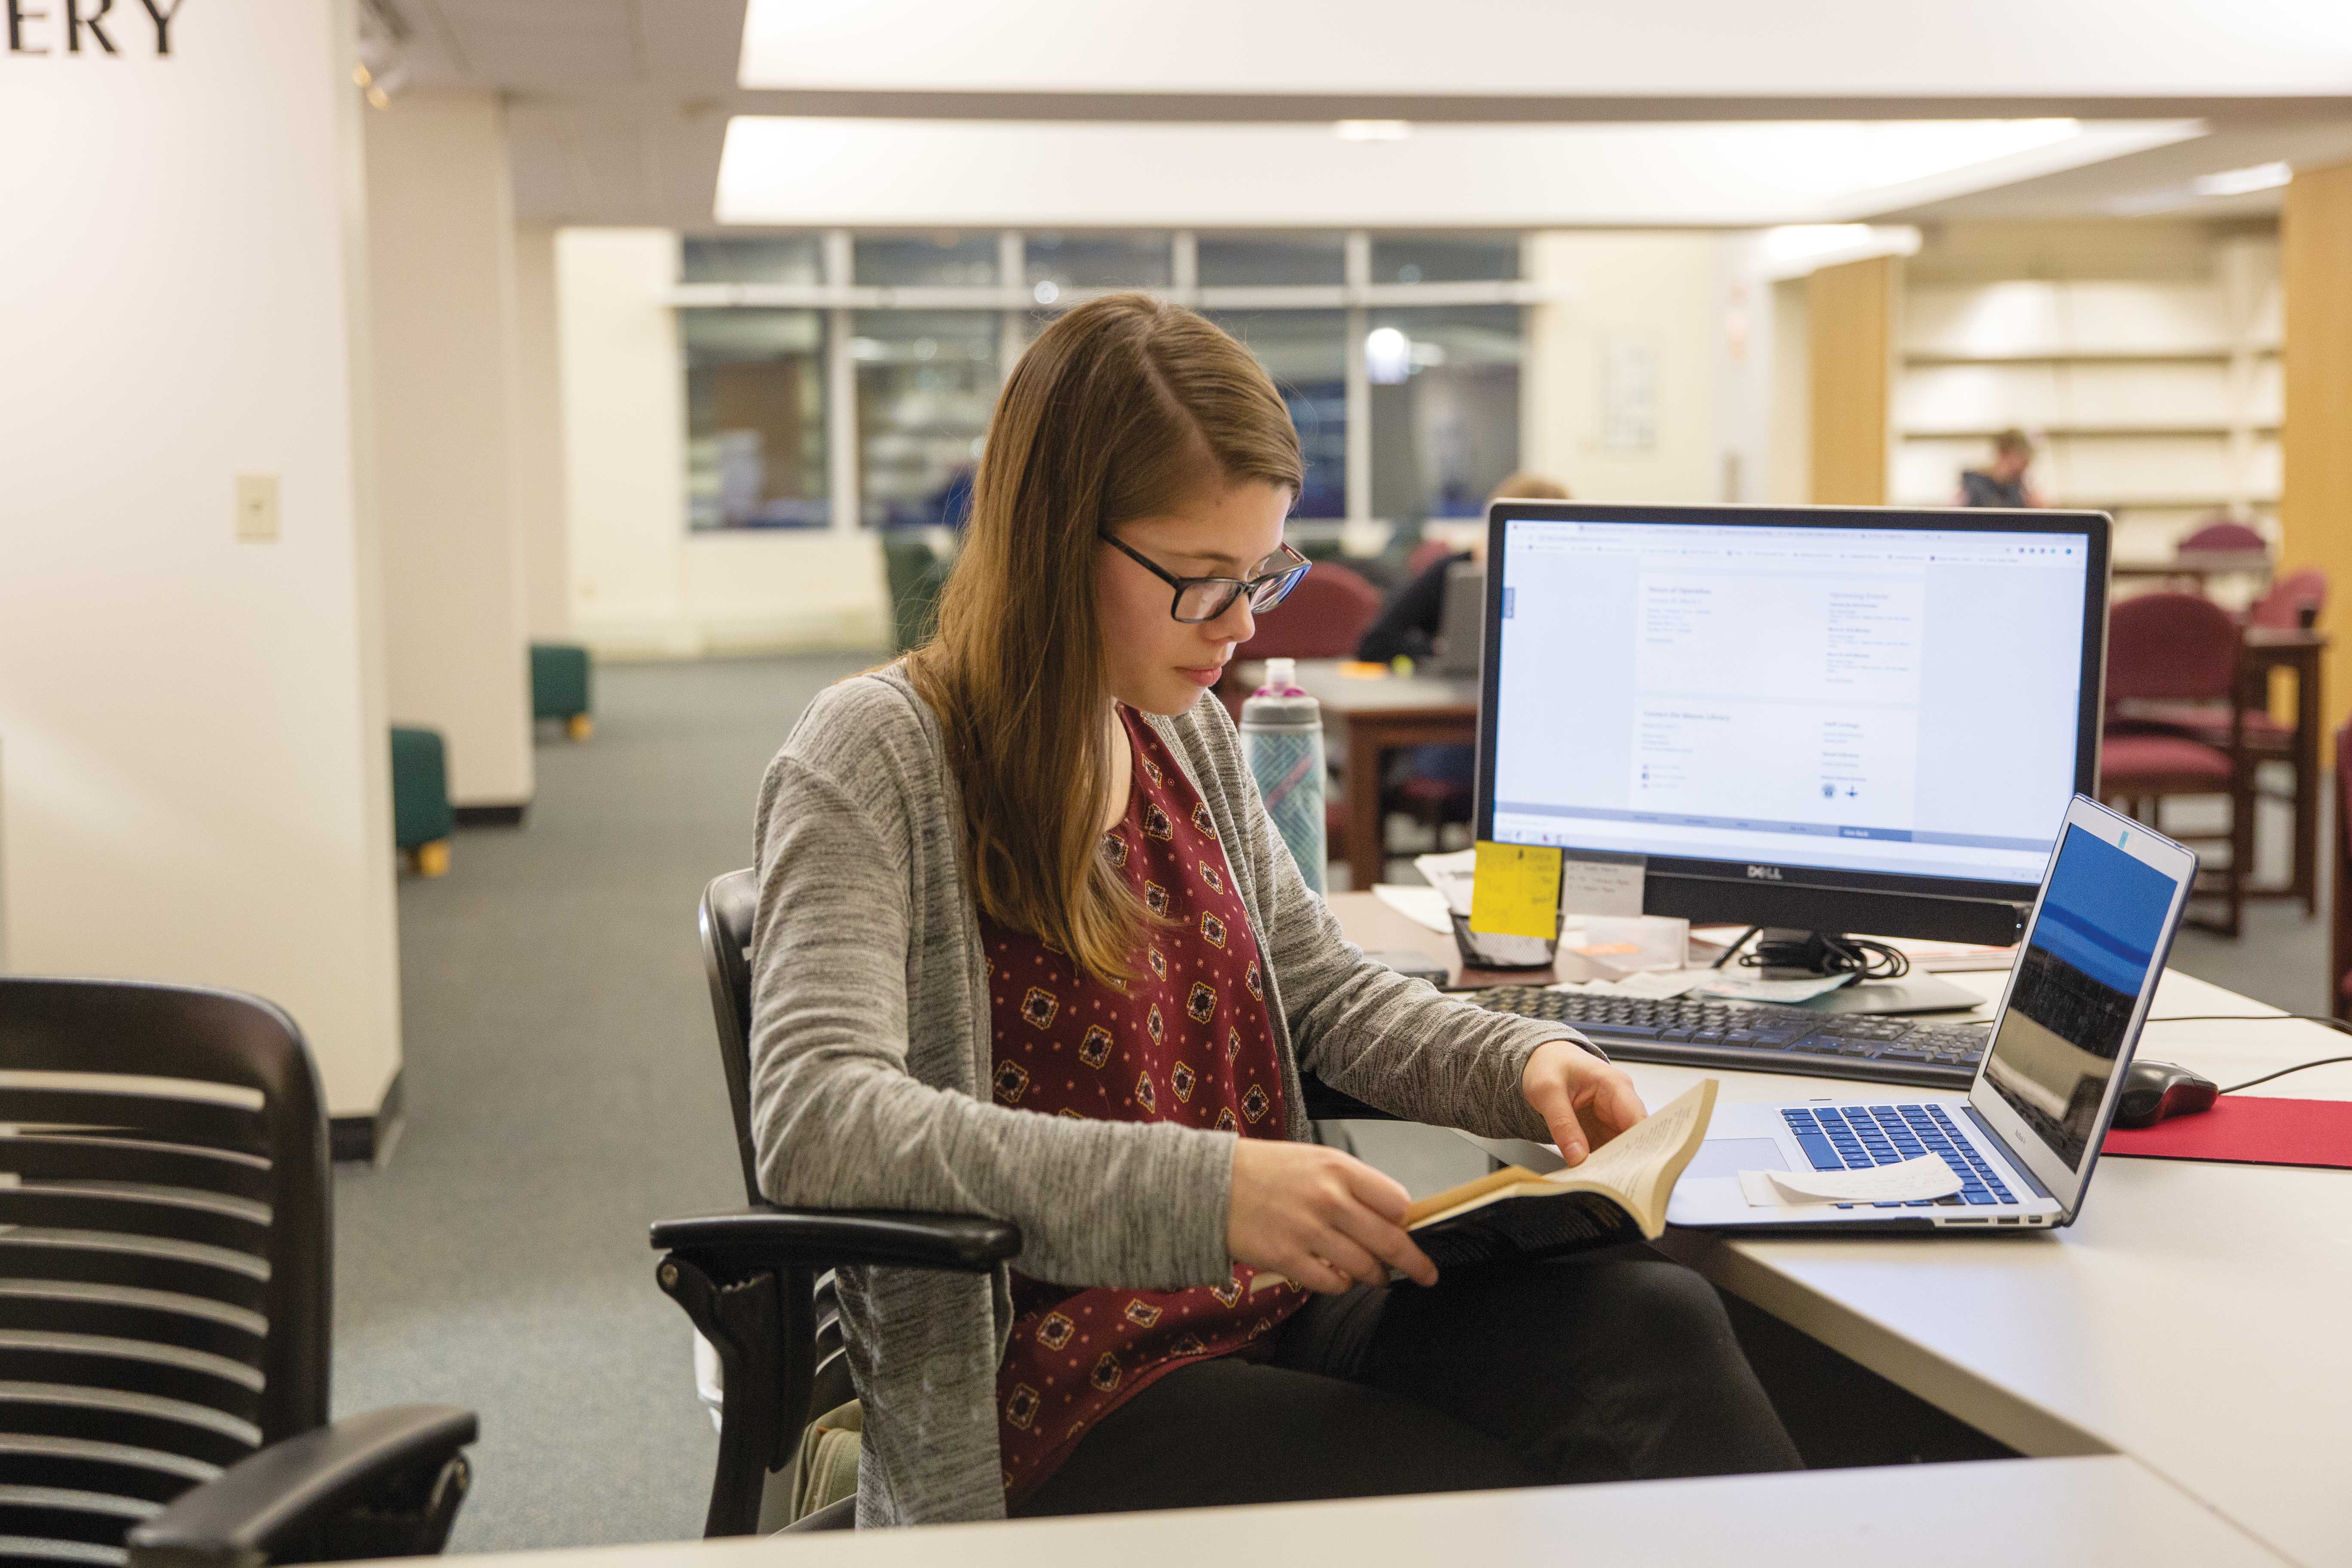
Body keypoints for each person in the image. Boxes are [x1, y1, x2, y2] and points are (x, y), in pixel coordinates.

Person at [747, 295, 1798, 1528]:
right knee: (1500, 1499)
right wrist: (1214, 1191)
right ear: (1050, 542)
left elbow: (1321, 988)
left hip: (1270, 1306)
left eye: (1261, 576)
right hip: (1057, 1389)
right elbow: (818, 1118)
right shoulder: (877, 755)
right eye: (1203, 583)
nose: (1245, 627)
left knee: (1653, 1326)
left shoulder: (1181, 726)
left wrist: (1524, 1059)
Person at [1355, 472, 1570, 665]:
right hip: (1453, 696)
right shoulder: (1450, 571)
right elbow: (1374, 644)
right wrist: (1437, 649)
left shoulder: (1565, 583)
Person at [1956, 429, 2045, 508]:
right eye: (2021, 457)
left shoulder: (2020, 491)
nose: (2026, 466)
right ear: (2004, 453)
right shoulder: (1974, 486)